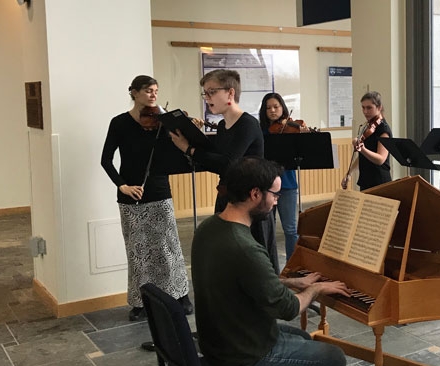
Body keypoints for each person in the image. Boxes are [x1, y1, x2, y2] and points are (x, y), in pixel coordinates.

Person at [191, 156, 348, 366]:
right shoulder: (245, 247)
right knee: (334, 359)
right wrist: (314, 289)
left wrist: (291, 280)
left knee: (302, 337)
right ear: (254, 195)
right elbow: (288, 308)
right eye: (274, 194)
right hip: (244, 355)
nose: (277, 201)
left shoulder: (209, 228)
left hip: (219, 343)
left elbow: (247, 279)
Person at [100, 75, 193, 325]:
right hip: (131, 194)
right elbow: (106, 160)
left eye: (155, 90)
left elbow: (181, 150)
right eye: (148, 91)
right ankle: (141, 302)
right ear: (134, 92)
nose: (153, 95)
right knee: (138, 251)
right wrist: (123, 186)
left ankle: (181, 295)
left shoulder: (162, 123)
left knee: (169, 246)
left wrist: (177, 124)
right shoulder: (119, 123)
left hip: (159, 189)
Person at [169, 69, 280, 274]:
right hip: (229, 197)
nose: (206, 98)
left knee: (258, 260)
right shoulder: (222, 126)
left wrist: (189, 149)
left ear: (230, 93)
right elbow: (218, 161)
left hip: (252, 201)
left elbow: (229, 163)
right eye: (205, 93)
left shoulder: (248, 123)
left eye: (211, 92)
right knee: (230, 257)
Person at [259, 92, 300, 260]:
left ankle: (292, 264)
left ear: (282, 107)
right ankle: (269, 263)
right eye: (268, 108)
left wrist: (302, 133)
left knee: (290, 229)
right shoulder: (261, 131)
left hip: (287, 184)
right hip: (266, 184)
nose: (273, 111)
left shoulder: (290, 129)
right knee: (267, 228)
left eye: (276, 107)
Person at [341, 91, 392, 191]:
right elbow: (363, 156)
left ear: (379, 107)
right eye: (363, 107)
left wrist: (362, 148)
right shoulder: (368, 127)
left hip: (379, 182)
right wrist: (349, 173)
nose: (365, 111)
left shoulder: (383, 130)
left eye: (369, 108)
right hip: (366, 180)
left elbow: (380, 159)